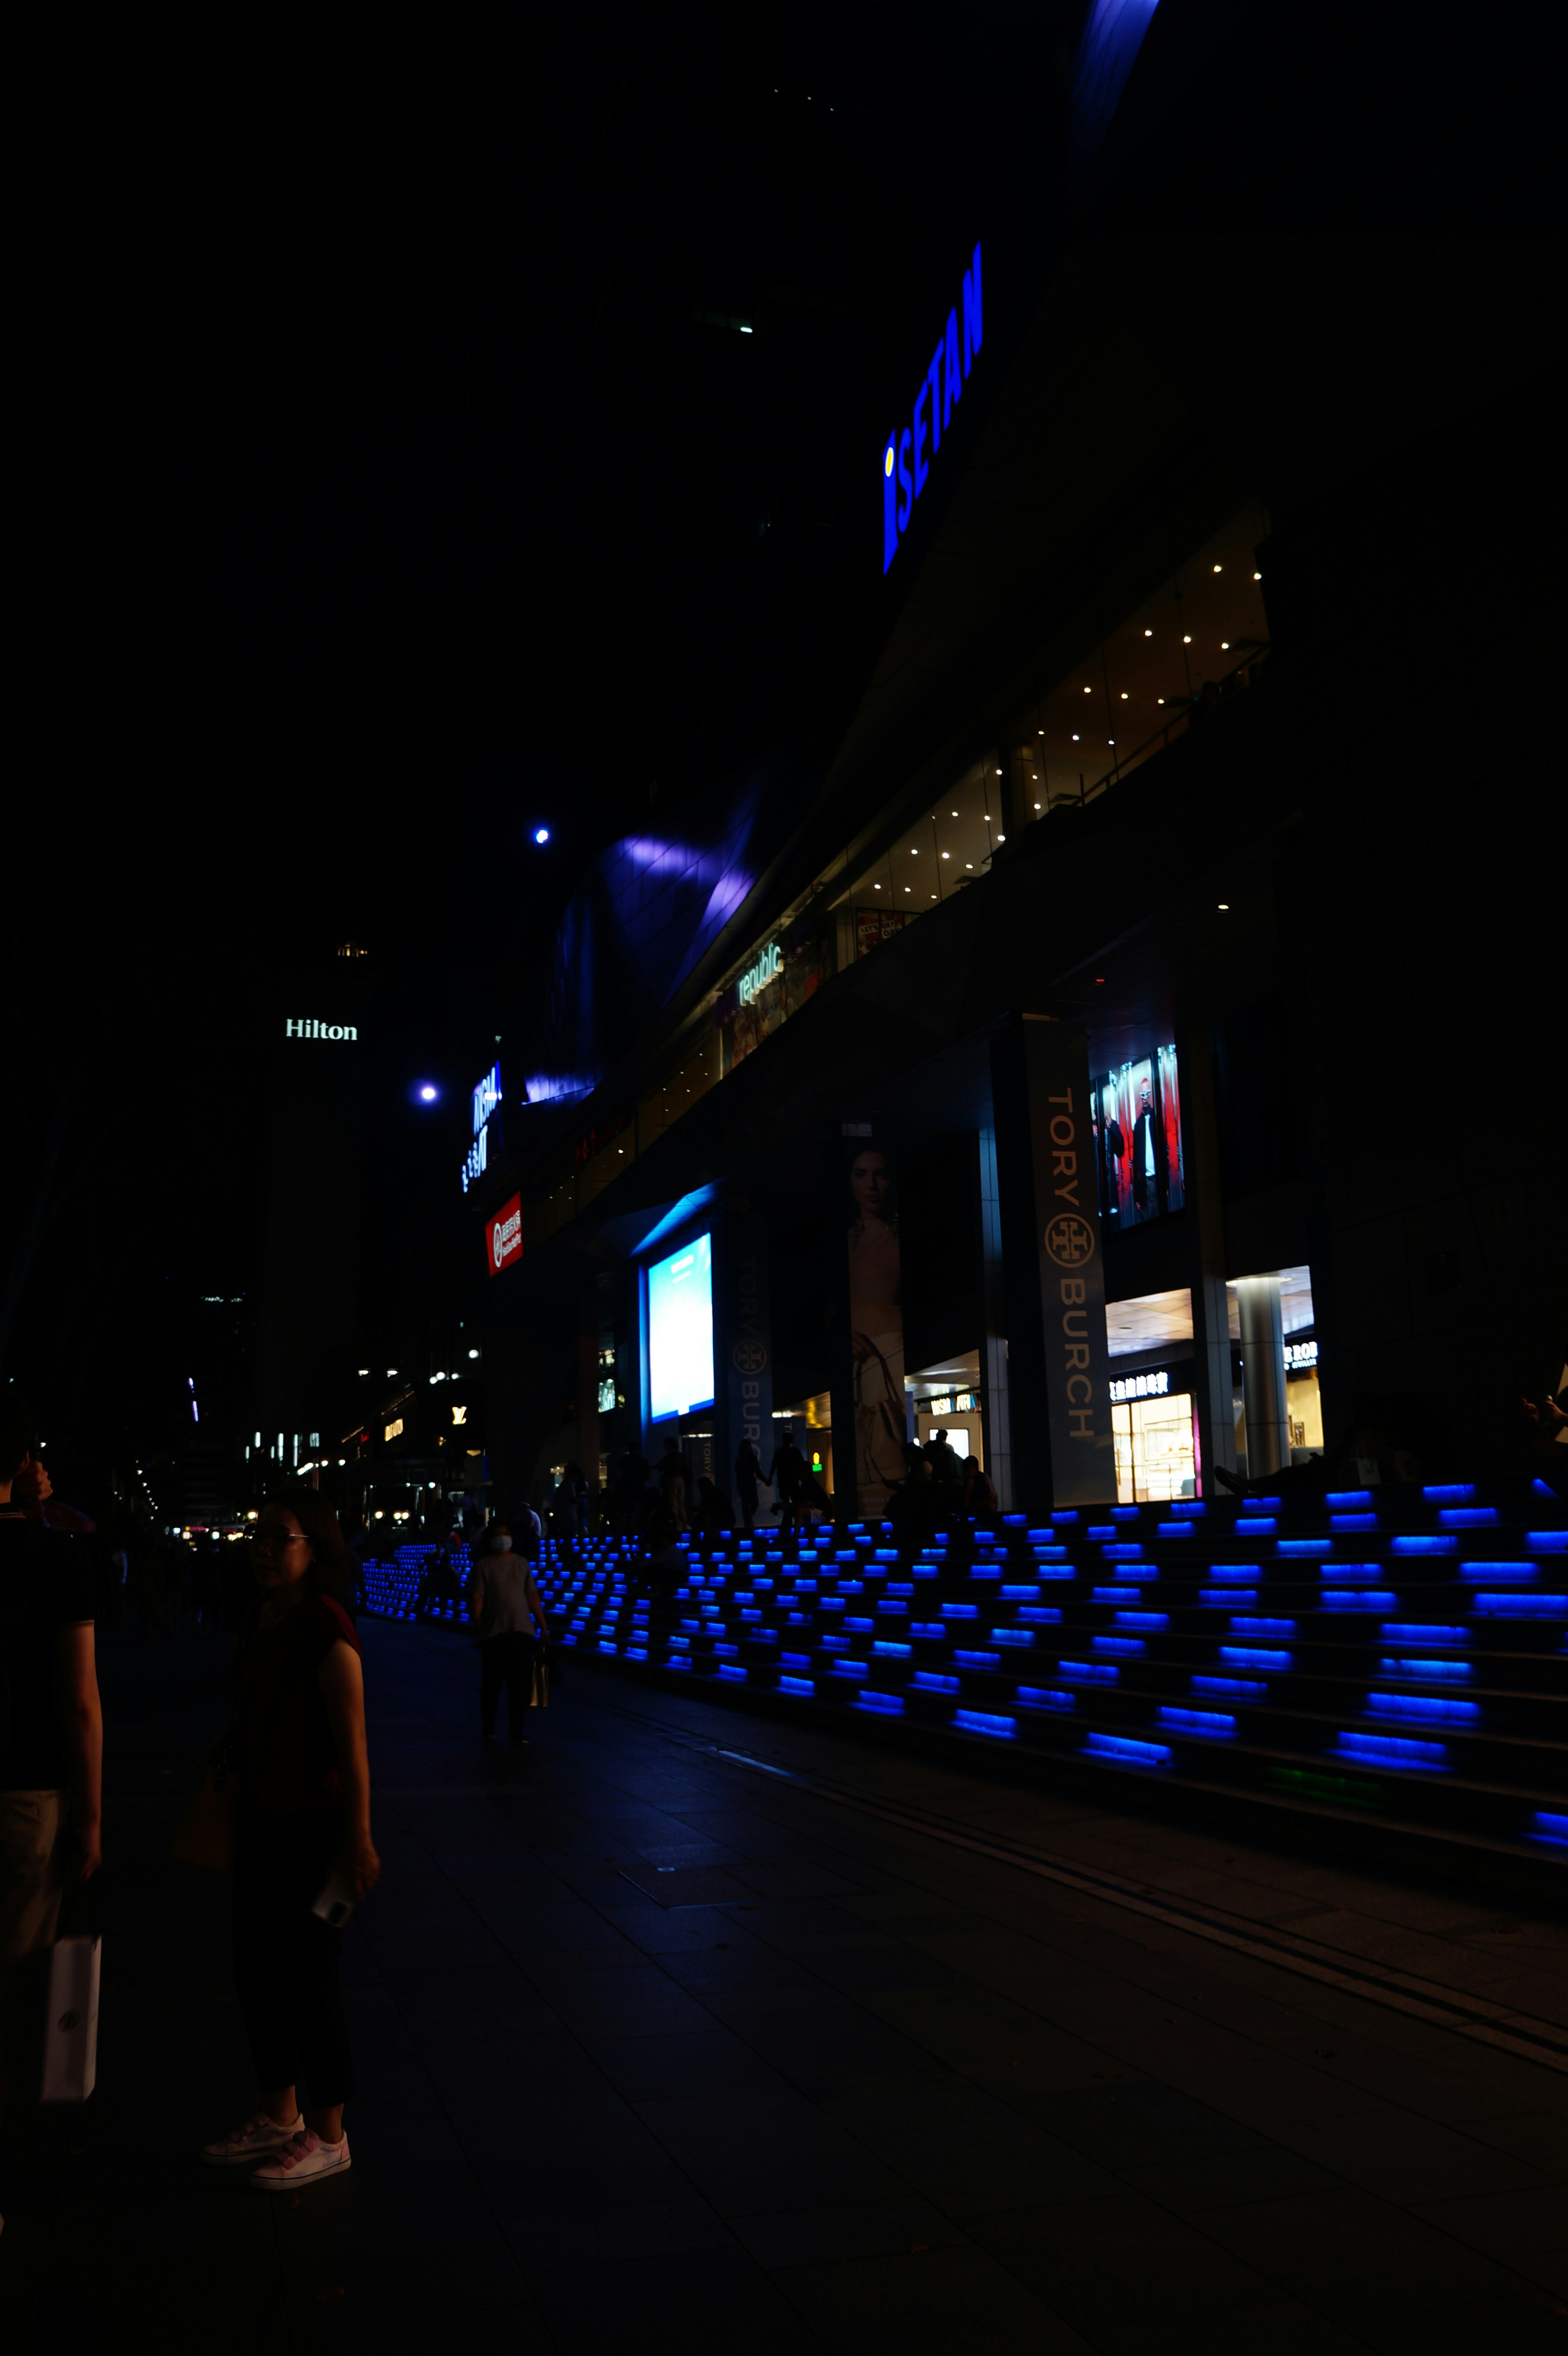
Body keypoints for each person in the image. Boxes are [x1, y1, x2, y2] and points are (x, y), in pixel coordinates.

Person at [201, 1491, 378, 2191]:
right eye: (260, 1535)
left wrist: (358, 1839)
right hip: (259, 1820)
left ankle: (329, 2135)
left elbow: (353, 1746)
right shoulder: (262, 1619)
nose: (265, 1549)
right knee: (254, 1972)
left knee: (309, 1981)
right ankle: (279, 2116)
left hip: (312, 1830)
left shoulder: (326, 1627)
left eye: (282, 1538)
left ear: (318, 1550)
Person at [0, 1405, 102, 2145]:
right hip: (27, 1795)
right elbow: (79, 1701)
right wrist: (92, 1818)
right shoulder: (58, 1557)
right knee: (13, 1986)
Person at [848, 1145, 904, 1513]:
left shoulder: (895, 1240)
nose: (871, 1184)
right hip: (860, 1361)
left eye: (880, 1174)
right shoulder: (848, 1240)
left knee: (883, 1451)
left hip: (887, 1353)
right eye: (861, 1174)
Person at [468, 1523, 548, 1746]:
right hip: (493, 1632)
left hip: (521, 1631)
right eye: (498, 1535)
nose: (503, 1538)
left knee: (518, 1684)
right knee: (492, 1684)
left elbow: (531, 1594)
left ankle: (517, 1730)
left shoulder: (521, 1564)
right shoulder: (484, 1565)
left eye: (506, 1534)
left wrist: (541, 1622)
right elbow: (478, 1595)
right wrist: (478, 1620)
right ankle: (489, 1727)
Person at [769, 1429, 809, 1533]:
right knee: (795, 1503)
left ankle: (787, 1524)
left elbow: (774, 1466)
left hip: (785, 1483)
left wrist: (770, 1479)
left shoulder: (780, 1452)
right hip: (793, 1482)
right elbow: (802, 1465)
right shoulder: (795, 1452)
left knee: (787, 1503)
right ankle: (795, 1523)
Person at [657, 1438, 689, 1532]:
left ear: (670, 1446)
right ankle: (685, 1524)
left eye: (666, 1446)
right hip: (681, 1480)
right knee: (680, 1503)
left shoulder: (671, 1456)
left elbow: (661, 1465)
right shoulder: (681, 1456)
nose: (665, 1448)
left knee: (673, 1503)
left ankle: (677, 1525)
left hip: (672, 1480)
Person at [734, 1438, 762, 1532]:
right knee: (752, 1504)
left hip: (744, 1484)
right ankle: (749, 1523)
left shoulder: (740, 1459)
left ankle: (748, 1523)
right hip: (748, 1484)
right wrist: (766, 1480)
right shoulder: (751, 1458)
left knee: (748, 1504)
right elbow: (758, 1472)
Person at [963, 1454, 997, 1518]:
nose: (966, 1473)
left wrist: (975, 1506)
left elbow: (993, 1498)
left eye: (969, 1470)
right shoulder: (969, 1481)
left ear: (976, 1469)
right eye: (965, 1471)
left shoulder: (984, 1478)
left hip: (984, 1509)